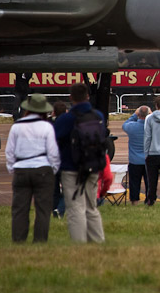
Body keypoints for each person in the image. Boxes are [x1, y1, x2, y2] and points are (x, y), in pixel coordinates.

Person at [53, 82, 106, 243]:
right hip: (93, 166)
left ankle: (79, 246)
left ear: (71, 97)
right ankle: (98, 241)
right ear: (87, 96)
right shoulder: (98, 116)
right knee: (91, 207)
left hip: (71, 168)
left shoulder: (66, 119)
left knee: (75, 208)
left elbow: (55, 140)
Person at [6, 94, 61, 243]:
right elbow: (53, 153)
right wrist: (53, 170)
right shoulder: (47, 126)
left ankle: (18, 240)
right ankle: (40, 241)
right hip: (43, 169)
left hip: (21, 169)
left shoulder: (17, 126)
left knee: (19, 209)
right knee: (43, 209)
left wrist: (13, 168)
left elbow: (10, 152)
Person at [122, 105, 150, 205]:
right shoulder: (151, 127)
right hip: (148, 159)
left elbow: (124, 125)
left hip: (135, 160)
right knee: (149, 183)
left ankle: (134, 201)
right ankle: (149, 200)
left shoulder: (131, 126)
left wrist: (134, 115)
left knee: (134, 183)